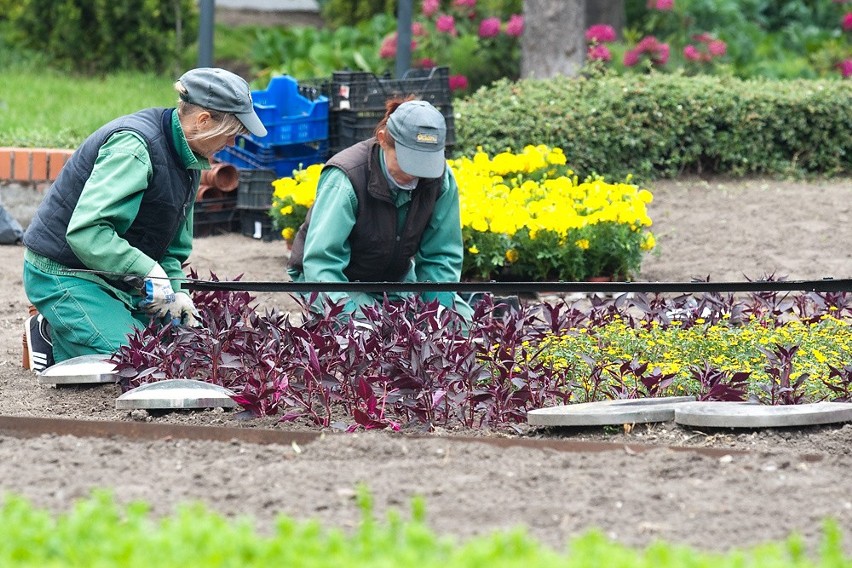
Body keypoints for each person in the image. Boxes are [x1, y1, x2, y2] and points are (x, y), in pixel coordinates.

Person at [22, 67, 267, 372]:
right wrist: (147, 269)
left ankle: (90, 320)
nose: (231, 144)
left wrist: (178, 293)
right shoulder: (134, 148)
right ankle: (48, 333)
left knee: (179, 353)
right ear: (203, 121)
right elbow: (88, 232)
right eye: (231, 133)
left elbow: (172, 249)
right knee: (134, 361)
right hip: (66, 271)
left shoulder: (189, 158)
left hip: (114, 275)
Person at [287, 98, 473, 323]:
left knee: (464, 325)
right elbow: (322, 263)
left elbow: (440, 257)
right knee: (373, 332)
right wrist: (345, 314)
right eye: (409, 160)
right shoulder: (346, 178)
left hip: (395, 280)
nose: (416, 173)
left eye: (425, 162)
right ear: (383, 140)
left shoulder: (440, 179)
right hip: (334, 279)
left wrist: (439, 317)